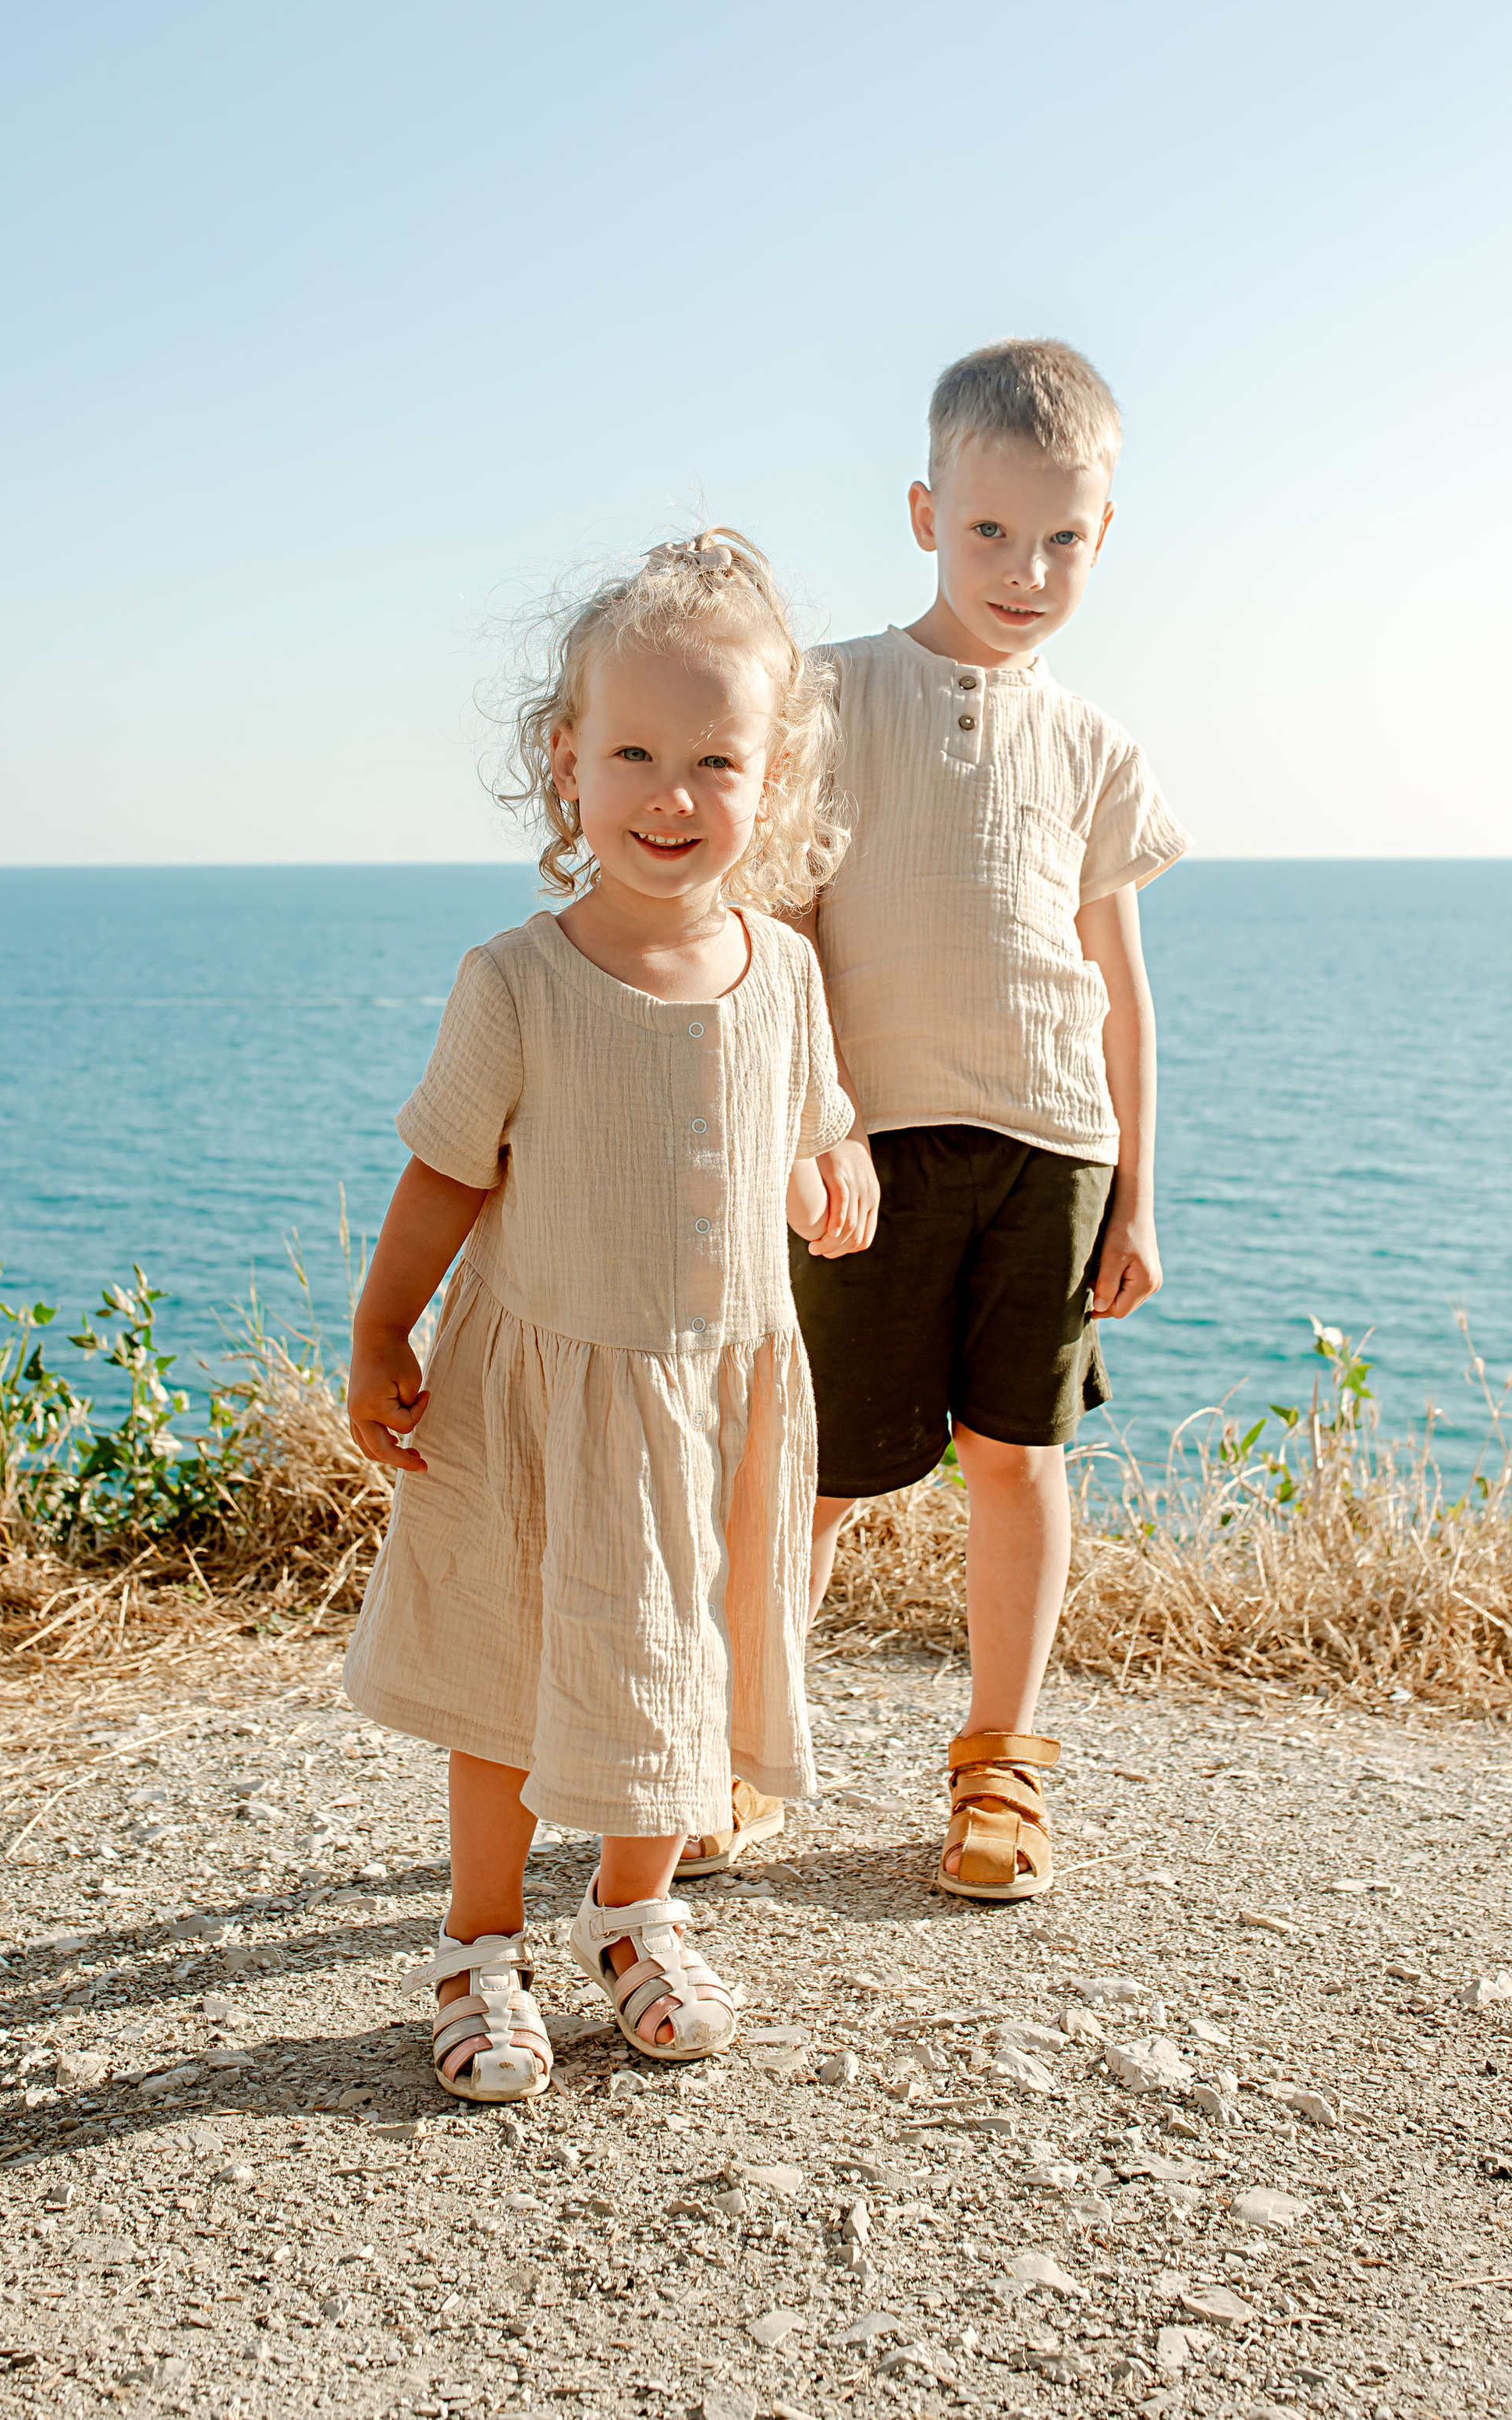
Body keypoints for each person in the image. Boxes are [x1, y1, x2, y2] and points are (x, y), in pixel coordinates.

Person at [340, 530, 868, 2102]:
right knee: (508, 1679)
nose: (671, 792)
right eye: (633, 753)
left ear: (773, 780)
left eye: (715, 759)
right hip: (544, 1396)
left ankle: (633, 1913)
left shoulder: (784, 971)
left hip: (713, 1396)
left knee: (685, 1670)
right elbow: (446, 1174)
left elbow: (801, 1128)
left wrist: (827, 1180)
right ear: (565, 762)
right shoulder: (517, 981)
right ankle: (478, 1941)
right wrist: (380, 1333)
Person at [774, 338, 1187, 1903]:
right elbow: (784, 936)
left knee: (1017, 1458)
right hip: (866, 1149)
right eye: (989, 532)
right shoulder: (826, 695)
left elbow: (1121, 993)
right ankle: (747, 1750)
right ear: (923, 514)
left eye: (1062, 539)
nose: (1025, 572)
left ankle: (1000, 1768)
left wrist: (1136, 1195)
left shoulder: (1097, 747)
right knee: (815, 1473)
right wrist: (813, 1127)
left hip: (1053, 1146)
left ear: (1103, 535)